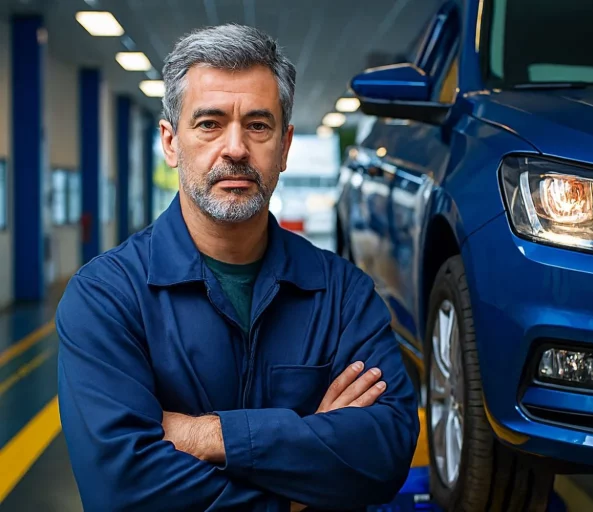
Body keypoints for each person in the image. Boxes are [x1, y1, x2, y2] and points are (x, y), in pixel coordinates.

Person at [56, 23, 420, 512]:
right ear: (170, 141)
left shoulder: (344, 294)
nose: (235, 148)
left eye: (258, 124)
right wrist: (295, 492)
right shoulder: (106, 297)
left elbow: (384, 453)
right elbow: (121, 488)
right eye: (209, 123)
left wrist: (207, 434)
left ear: (285, 145)